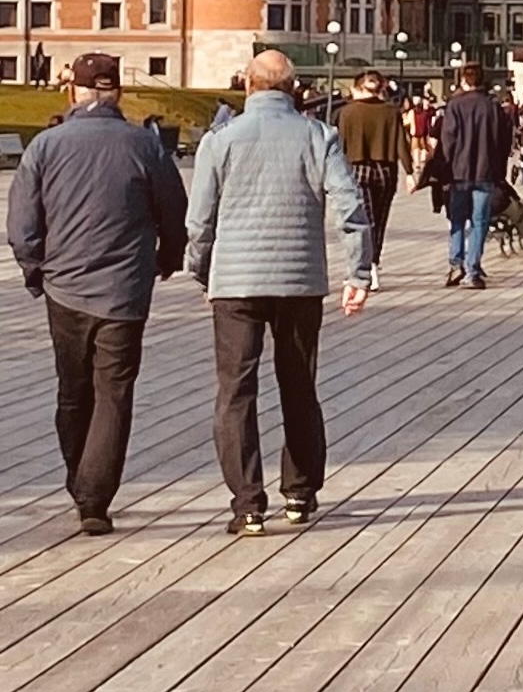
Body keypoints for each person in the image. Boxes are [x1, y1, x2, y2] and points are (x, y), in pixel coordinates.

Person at [186, 51, 372, 535]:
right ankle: (300, 493)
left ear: (248, 85)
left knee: (235, 391)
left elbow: (199, 220)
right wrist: (359, 273)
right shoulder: (318, 136)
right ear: (294, 89)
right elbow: (349, 205)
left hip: (236, 282)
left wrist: (202, 272)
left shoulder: (220, 140)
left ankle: (247, 503)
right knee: (298, 385)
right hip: (299, 281)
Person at [6, 53, 187, 536]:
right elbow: (174, 210)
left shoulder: (45, 146)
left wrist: (34, 269)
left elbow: (22, 223)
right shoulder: (144, 146)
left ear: (74, 93)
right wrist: (166, 259)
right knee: (115, 392)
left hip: (64, 288)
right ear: (118, 93)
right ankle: (95, 497)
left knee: (72, 389)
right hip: (125, 288)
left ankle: (77, 478)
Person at [334, 69, 415, 291]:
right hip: (386, 170)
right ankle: (374, 264)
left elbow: (340, 147)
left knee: (362, 221)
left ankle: (362, 268)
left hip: (358, 168)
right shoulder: (391, 112)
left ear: (358, 88)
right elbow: (401, 142)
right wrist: (409, 172)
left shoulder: (347, 113)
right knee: (379, 220)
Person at [437, 62, 512, 289]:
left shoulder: (455, 105)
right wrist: (500, 170)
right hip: (486, 170)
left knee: (457, 219)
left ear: (462, 80)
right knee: (480, 221)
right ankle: (473, 269)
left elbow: (447, 140)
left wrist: (445, 170)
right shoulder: (493, 106)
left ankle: (455, 262)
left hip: (459, 172)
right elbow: (504, 141)